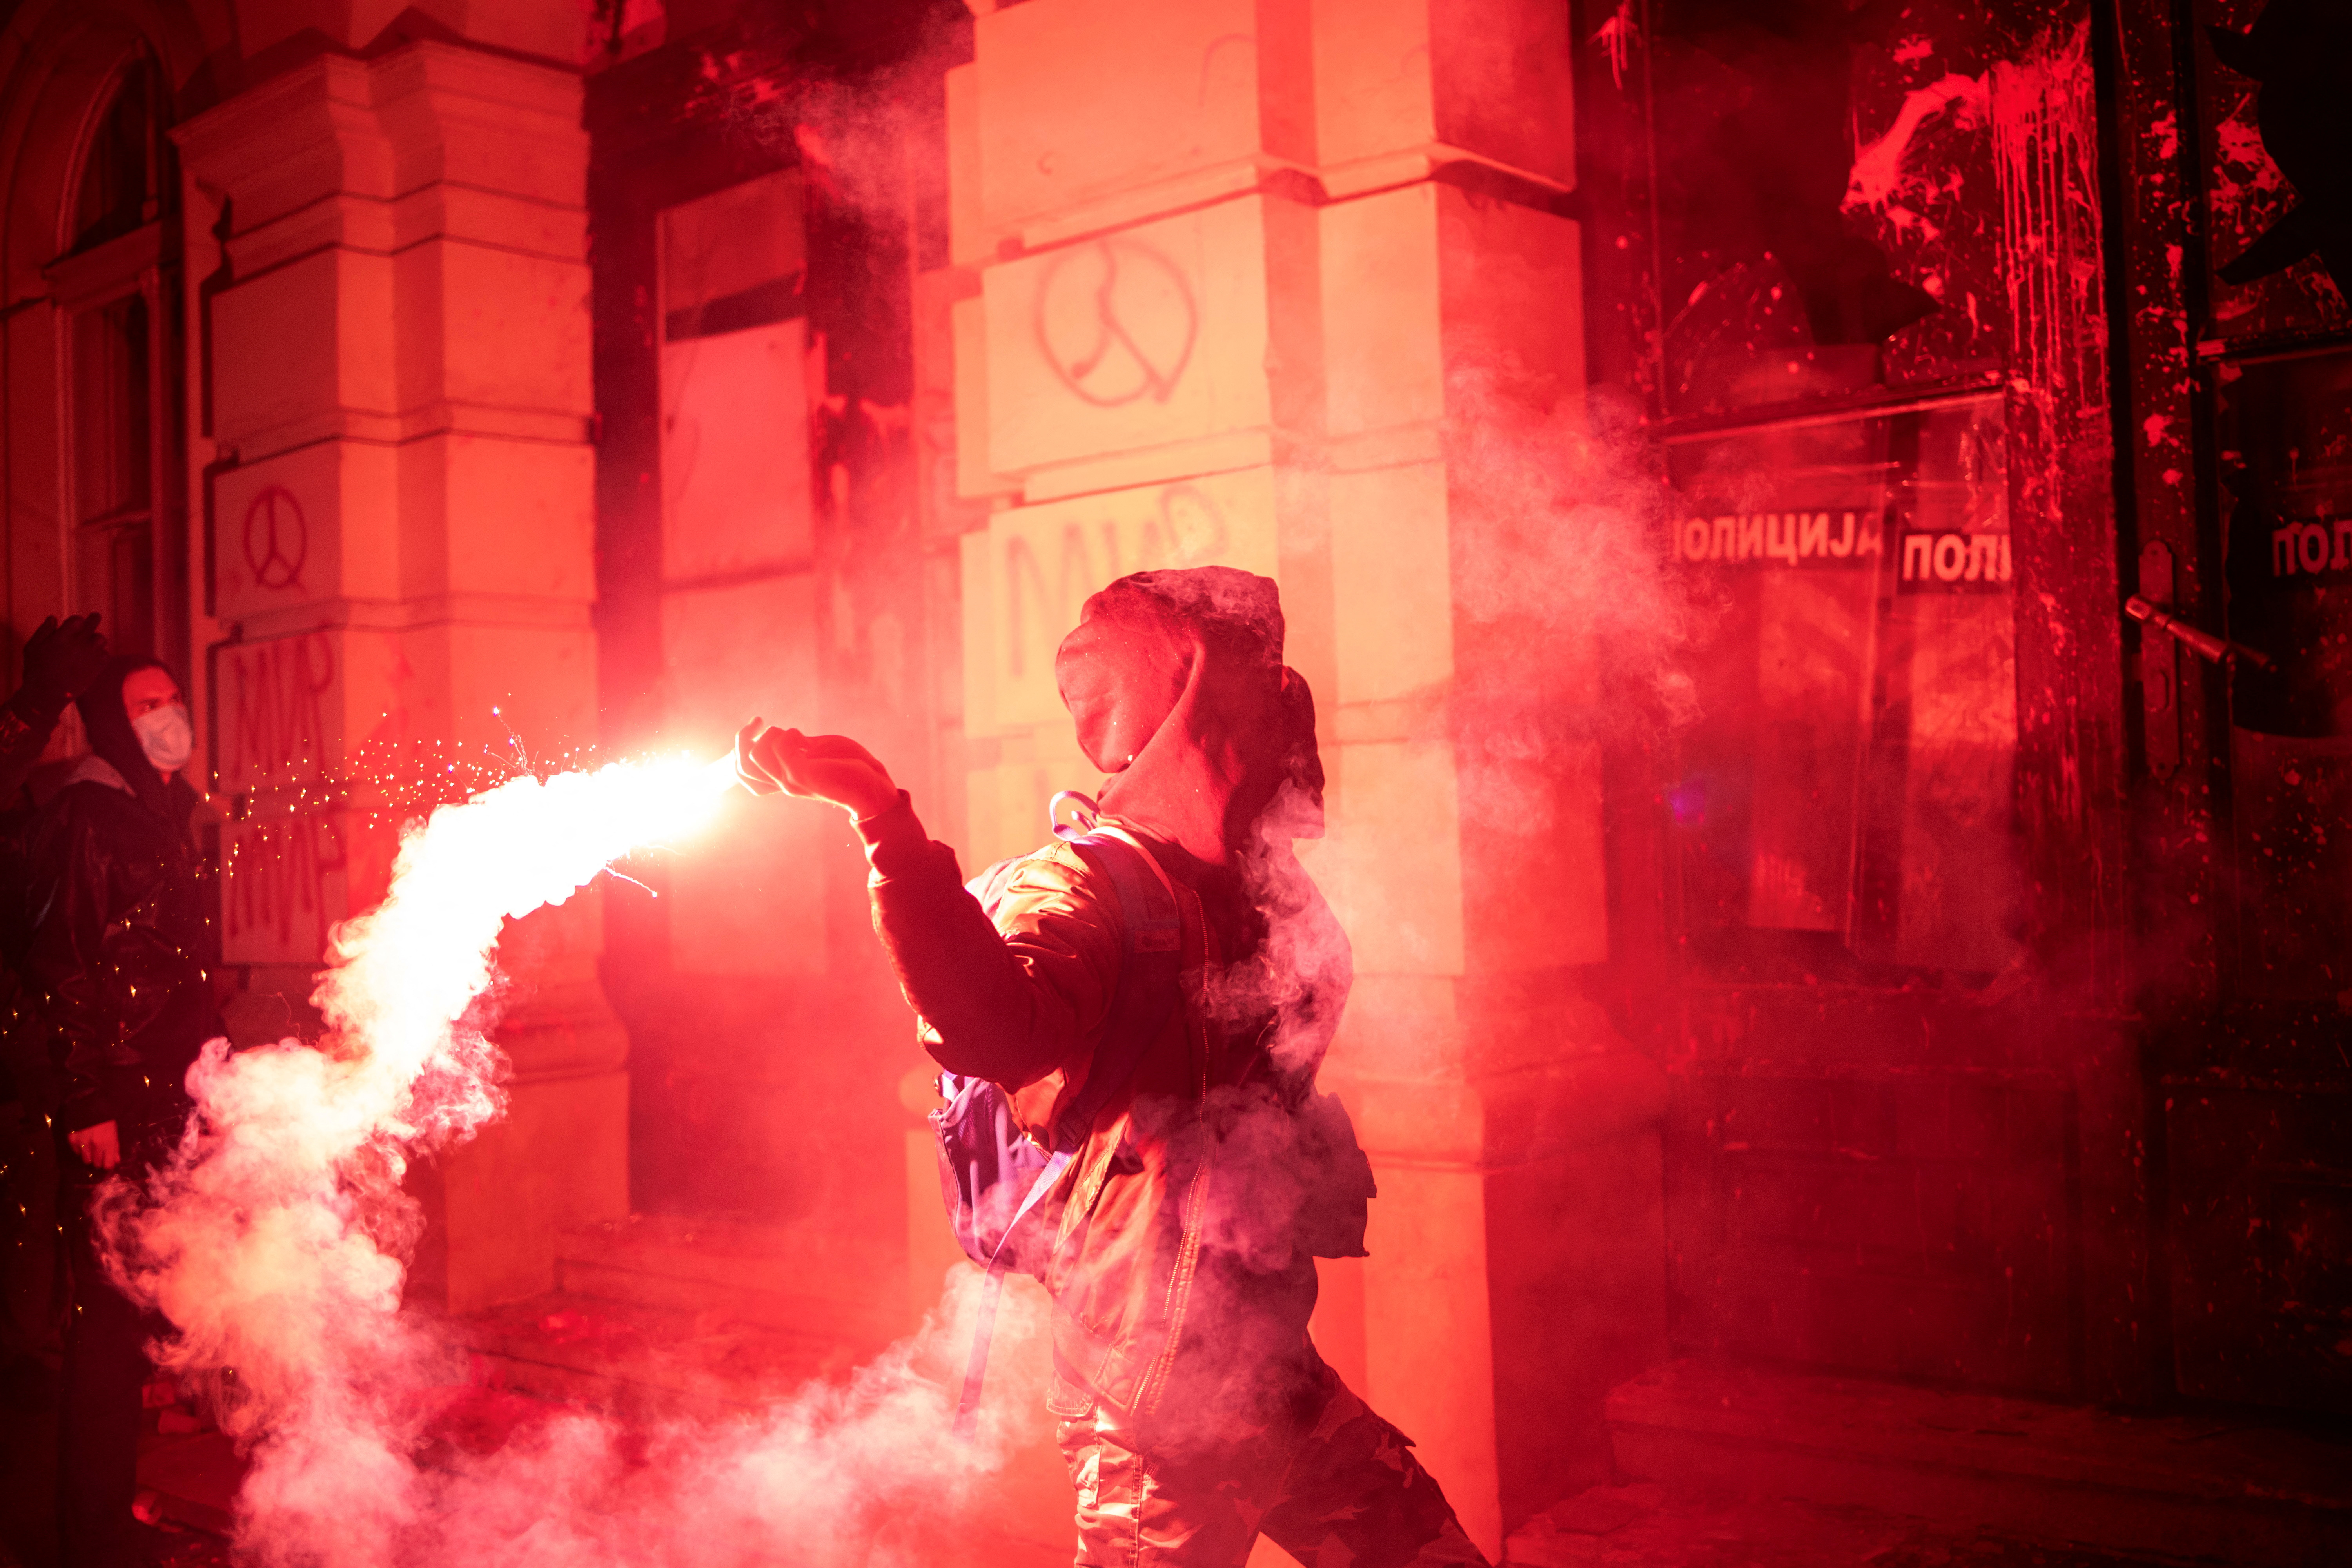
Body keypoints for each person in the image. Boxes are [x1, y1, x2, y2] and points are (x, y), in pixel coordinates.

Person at [737, 567, 1486, 1568]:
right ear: (1181, 703)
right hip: (1159, 1411)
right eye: (1249, 686)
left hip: (1272, 1376)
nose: (1280, 708)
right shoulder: (1086, 881)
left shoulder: (1254, 888)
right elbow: (998, 1031)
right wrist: (888, 828)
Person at [22, 655, 217, 1568]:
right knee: (106, 1321)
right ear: (113, 723)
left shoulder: (162, 808)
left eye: (173, 698)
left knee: (139, 1310)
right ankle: (90, 1536)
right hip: (117, 1091)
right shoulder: (90, 812)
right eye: (146, 706)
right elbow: (61, 959)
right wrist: (89, 1096)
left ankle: (106, 1512)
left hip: (163, 1086)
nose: (167, 715)